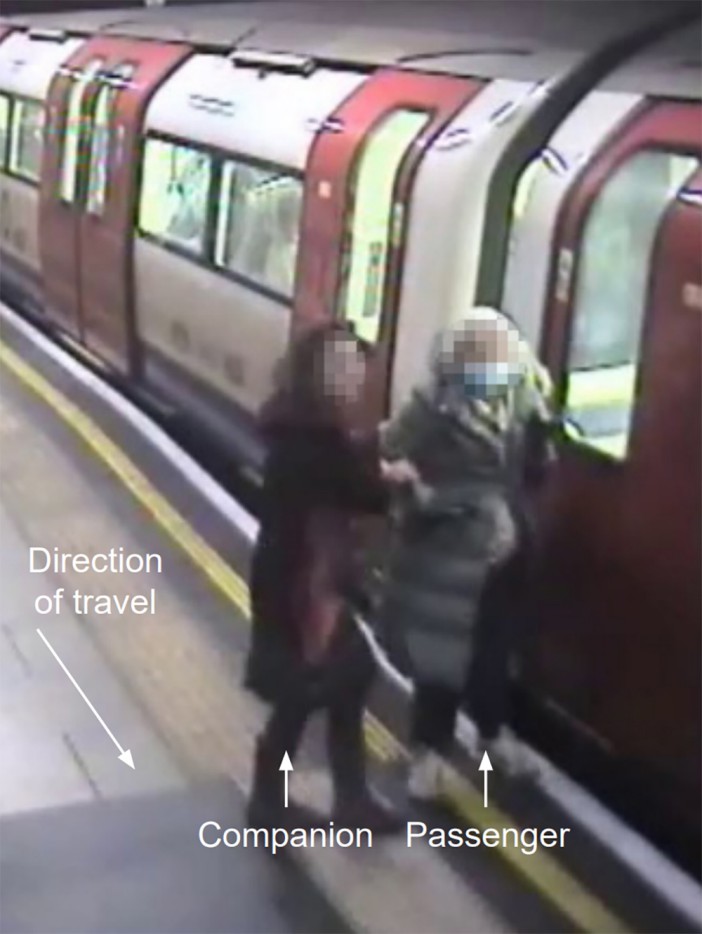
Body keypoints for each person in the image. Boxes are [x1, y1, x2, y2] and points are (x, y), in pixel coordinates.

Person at [377, 306, 552, 799]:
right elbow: (389, 452)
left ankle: (492, 733)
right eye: (477, 361)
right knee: (442, 653)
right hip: (447, 550)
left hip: (505, 550)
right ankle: (428, 753)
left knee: (496, 646)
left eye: (496, 360)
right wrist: (430, 496)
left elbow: (535, 471)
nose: (487, 371)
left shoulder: (528, 399)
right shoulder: (431, 406)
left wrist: (516, 497)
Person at [244, 321, 410, 832]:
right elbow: (354, 489)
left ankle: (334, 798)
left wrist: (372, 464)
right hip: (303, 590)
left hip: (300, 579)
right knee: (309, 688)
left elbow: (337, 472)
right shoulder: (310, 440)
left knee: (343, 679)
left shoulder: (301, 427)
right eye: (344, 366)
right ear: (318, 374)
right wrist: (395, 480)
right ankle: (275, 803)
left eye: (357, 364)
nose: (356, 375)